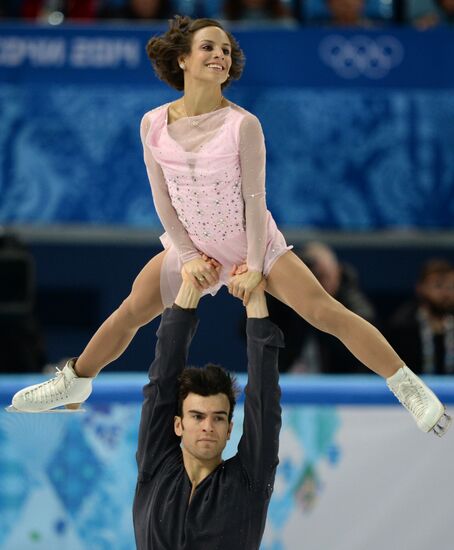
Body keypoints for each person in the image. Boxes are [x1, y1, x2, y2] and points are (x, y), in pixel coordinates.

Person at [10, 15, 450, 437]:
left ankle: (406, 385)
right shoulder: (152, 123)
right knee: (130, 312)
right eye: (208, 47)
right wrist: (186, 257)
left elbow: (256, 204)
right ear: (182, 59)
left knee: (324, 311)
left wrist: (256, 265)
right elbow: (163, 200)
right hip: (194, 248)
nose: (219, 55)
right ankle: (75, 380)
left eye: (225, 49)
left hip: (252, 244)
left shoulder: (244, 125)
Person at [132, 269, 282, 549]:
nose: (208, 427)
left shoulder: (249, 481)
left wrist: (256, 299)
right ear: (178, 425)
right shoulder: (156, 466)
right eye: (197, 416)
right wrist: (189, 285)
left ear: (229, 430)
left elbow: (265, 402)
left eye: (218, 418)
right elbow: (162, 382)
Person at [267, 242, 377, 373]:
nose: (319, 284)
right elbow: (249, 330)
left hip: (340, 382)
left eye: (325, 276)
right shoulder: (291, 298)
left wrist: (322, 312)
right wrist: (280, 285)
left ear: (338, 272)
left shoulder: (350, 298)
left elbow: (366, 336)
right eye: (314, 277)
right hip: (289, 380)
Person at [387, 259, 454, 375]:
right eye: (438, 286)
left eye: (451, 287)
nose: (445, 293)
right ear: (420, 288)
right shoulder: (402, 325)